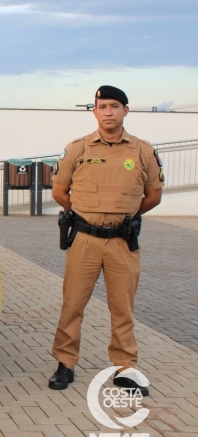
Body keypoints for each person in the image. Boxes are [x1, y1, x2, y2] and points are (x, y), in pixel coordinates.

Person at [49, 85, 164, 395]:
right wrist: (86, 214)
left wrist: (124, 215)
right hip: (85, 240)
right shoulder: (78, 149)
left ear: (126, 110)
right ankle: (65, 363)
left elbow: (154, 195)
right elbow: (59, 192)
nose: (109, 111)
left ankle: (125, 369)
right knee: (72, 304)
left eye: (115, 106)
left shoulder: (142, 150)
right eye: (103, 106)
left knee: (122, 308)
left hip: (122, 243)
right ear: (95, 112)